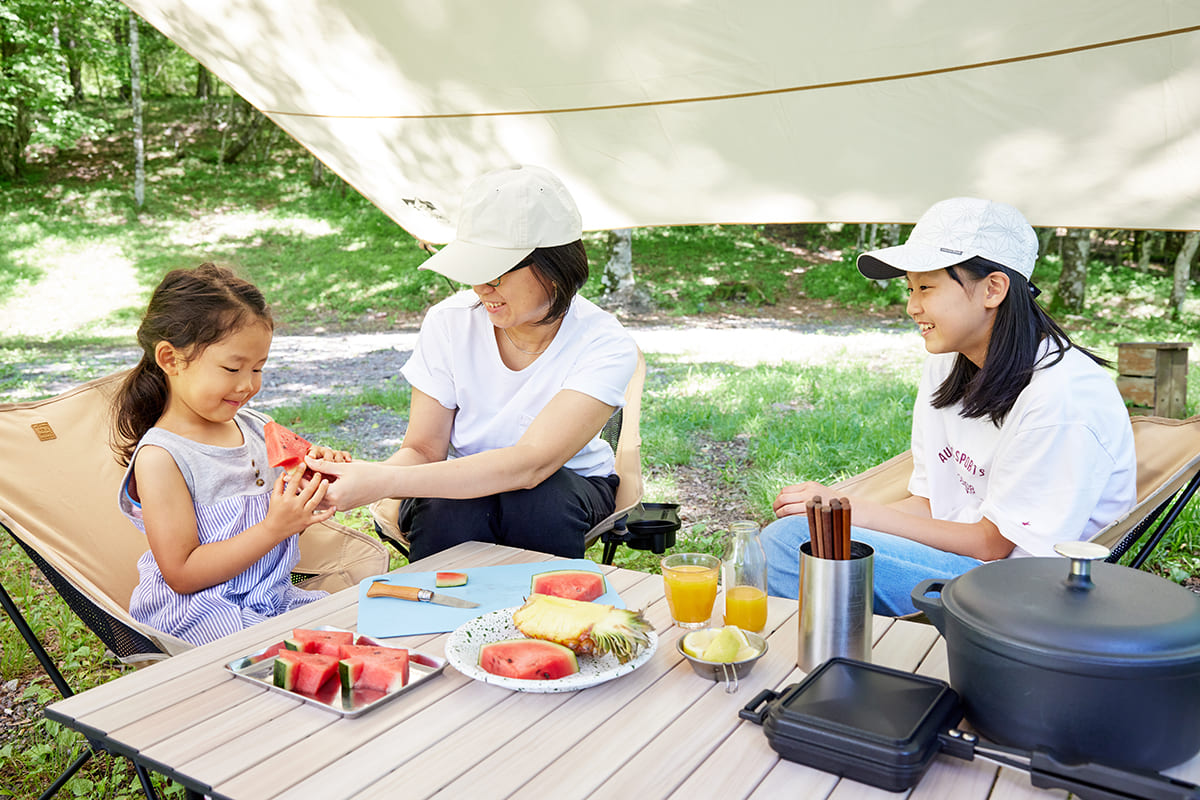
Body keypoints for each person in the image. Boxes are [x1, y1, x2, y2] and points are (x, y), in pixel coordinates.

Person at [762, 197, 1137, 616]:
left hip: (1027, 595)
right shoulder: (947, 362)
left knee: (789, 545)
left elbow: (993, 544)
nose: (912, 306)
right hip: (962, 565)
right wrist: (835, 520)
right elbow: (930, 503)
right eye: (909, 288)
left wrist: (849, 512)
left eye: (926, 287)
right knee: (793, 539)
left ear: (993, 288)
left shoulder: (1064, 396)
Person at [305, 164, 639, 560]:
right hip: (458, 480)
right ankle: (437, 618)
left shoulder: (603, 341)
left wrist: (379, 480)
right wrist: (356, 475)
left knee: (539, 502)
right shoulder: (449, 323)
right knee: (450, 506)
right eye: (471, 271)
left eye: (494, 274)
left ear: (553, 269)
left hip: (568, 484)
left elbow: (532, 464)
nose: (480, 288)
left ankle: (548, 618)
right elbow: (424, 451)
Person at [112, 263, 348, 646]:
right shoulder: (162, 456)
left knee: (346, 635)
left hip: (270, 596)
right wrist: (274, 526)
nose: (248, 385)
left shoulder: (256, 427)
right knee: (283, 657)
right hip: (199, 611)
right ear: (171, 359)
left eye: (258, 368)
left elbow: (278, 528)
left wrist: (308, 493)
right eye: (232, 367)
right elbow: (182, 574)